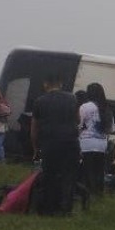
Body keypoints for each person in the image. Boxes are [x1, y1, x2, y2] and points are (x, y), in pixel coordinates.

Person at [30, 74, 80, 216]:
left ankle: (48, 208)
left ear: (46, 84)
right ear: (61, 84)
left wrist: (35, 148)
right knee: (68, 176)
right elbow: (78, 119)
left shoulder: (40, 101)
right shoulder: (72, 98)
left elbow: (34, 128)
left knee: (49, 175)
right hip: (70, 143)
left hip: (49, 143)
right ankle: (65, 208)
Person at [78, 82, 113, 196]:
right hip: (102, 146)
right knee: (98, 172)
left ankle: (85, 195)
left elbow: (78, 125)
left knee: (86, 172)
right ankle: (97, 195)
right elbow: (110, 129)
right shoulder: (107, 109)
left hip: (86, 144)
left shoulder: (85, 107)